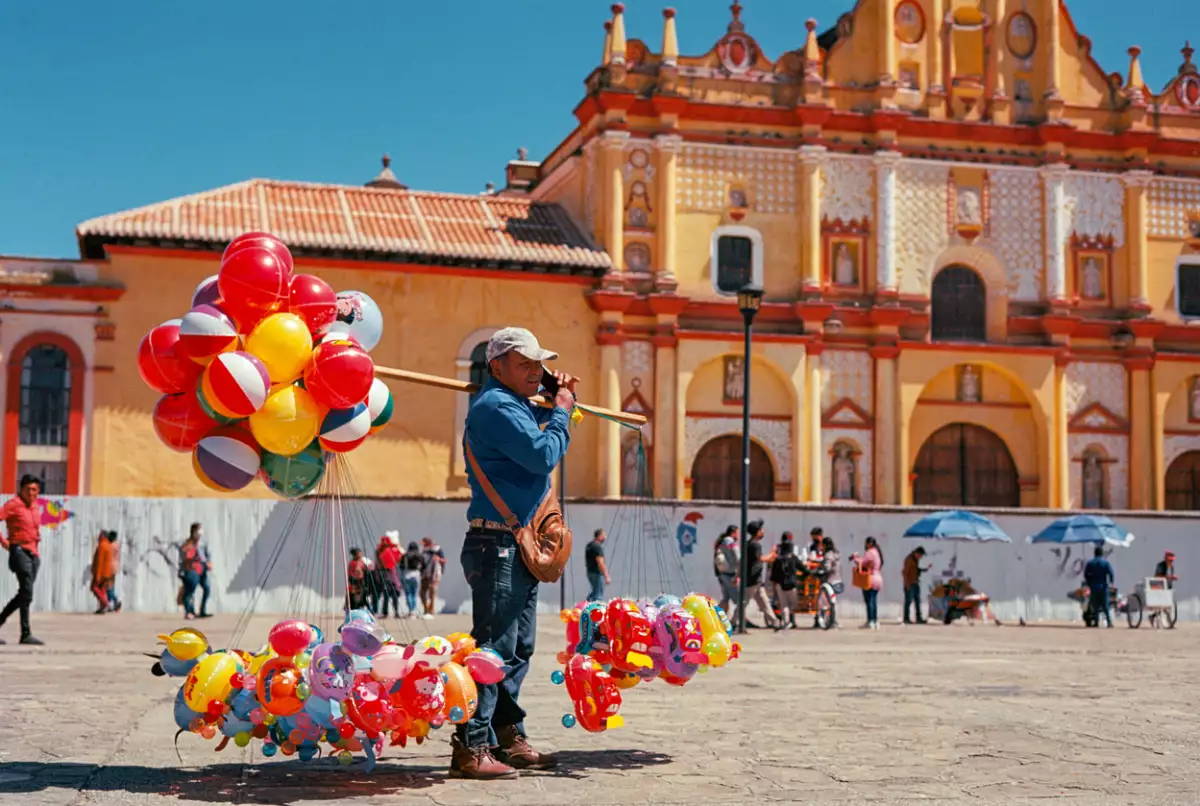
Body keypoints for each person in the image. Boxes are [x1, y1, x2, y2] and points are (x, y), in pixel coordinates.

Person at [454, 325, 576, 778]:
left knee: (518, 649)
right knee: (493, 649)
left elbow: (540, 437)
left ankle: (506, 735)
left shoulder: (520, 404)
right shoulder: (495, 407)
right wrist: (561, 410)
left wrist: (551, 392)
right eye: (524, 363)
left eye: (539, 364)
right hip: (496, 543)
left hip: (515, 544)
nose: (535, 371)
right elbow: (544, 454)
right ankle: (470, 745)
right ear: (497, 366)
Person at [0, 475, 45, 645]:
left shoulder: (35, 507)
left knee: (25, 594)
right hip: (19, 551)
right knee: (26, 592)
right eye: (28, 489)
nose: (31, 493)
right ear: (21, 489)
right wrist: (5, 542)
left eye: (35, 490)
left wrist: (36, 554)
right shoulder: (13, 504)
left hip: (33, 554)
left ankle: (20, 631)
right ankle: (25, 633)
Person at [741, 520, 777, 629]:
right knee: (744, 602)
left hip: (755, 579)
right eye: (761, 530)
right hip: (753, 578)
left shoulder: (748, 544)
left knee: (764, 602)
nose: (763, 531)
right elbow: (761, 559)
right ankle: (733, 622)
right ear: (757, 532)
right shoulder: (755, 545)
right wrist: (772, 554)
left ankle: (775, 622)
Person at [178, 524, 210, 620]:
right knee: (189, 592)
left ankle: (202, 610)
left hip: (202, 568)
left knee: (207, 588)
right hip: (192, 569)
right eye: (198, 531)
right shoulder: (188, 544)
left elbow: (207, 554)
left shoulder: (203, 543)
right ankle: (189, 612)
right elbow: (184, 557)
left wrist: (208, 562)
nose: (200, 533)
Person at [769, 538, 800, 631]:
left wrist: (774, 586)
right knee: (793, 604)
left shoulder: (777, 559)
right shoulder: (793, 558)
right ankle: (792, 621)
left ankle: (786, 622)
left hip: (780, 585)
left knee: (784, 604)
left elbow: (773, 575)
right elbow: (803, 568)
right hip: (792, 585)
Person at [854, 536, 884, 630]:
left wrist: (855, 558)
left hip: (870, 579)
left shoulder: (870, 552)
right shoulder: (877, 552)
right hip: (878, 578)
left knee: (869, 601)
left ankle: (870, 621)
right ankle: (874, 620)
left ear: (869, 544)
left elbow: (862, 563)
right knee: (873, 600)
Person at [1083, 546, 1115, 628]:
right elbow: (1111, 573)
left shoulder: (1090, 563)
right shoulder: (1105, 563)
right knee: (1105, 606)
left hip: (1094, 587)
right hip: (1103, 587)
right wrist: (1111, 582)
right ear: (1102, 553)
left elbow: (1086, 574)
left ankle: (1096, 622)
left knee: (1095, 606)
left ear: (1094, 553)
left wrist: (1089, 583)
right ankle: (1109, 622)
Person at [713, 526, 739, 614]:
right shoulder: (731, 542)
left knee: (725, 598)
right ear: (733, 533)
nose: (738, 535)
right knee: (739, 600)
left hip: (722, 574)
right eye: (737, 533)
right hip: (730, 575)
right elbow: (738, 558)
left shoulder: (721, 542)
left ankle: (717, 617)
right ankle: (738, 620)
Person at [376, 533, 403, 618]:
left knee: (386, 595)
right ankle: (395, 612)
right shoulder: (393, 550)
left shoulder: (379, 551)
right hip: (391, 574)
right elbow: (399, 558)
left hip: (385, 574)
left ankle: (386, 613)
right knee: (393, 595)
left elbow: (378, 563)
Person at [420, 537, 446, 619]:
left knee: (432, 591)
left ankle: (431, 609)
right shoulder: (424, 551)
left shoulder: (437, 550)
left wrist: (438, 559)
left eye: (424, 543)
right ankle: (426, 608)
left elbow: (444, 561)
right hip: (425, 574)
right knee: (422, 592)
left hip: (435, 573)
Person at [902, 546, 929, 625]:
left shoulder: (915, 560)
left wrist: (924, 570)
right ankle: (906, 618)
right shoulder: (909, 559)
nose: (921, 557)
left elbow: (915, 570)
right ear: (917, 553)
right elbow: (905, 573)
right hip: (910, 583)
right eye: (920, 555)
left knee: (917, 601)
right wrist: (907, 584)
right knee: (908, 601)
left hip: (915, 582)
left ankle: (918, 618)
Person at [820, 536, 843, 628]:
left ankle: (831, 621)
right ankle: (833, 621)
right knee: (832, 603)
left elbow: (827, 568)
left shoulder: (828, 555)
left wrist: (819, 570)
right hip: (838, 580)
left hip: (830, 581)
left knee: (828, 603)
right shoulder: (836, 554)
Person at [91, 530, 115, 614]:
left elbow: (100, 562)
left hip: (101, 573)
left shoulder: (102, 546)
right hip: (107, 573)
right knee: (102, 589)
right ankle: (102, 608)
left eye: (100, 535)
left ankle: (104, 603)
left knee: (94, 588)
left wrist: (97, 575)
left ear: (103, 536)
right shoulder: (108, 545)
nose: (98, 537)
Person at [585, 529, 610, 602]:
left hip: (590, 572)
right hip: (597, 573)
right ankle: (594, 610)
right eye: (604, 535)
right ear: (600, 536)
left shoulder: (590, 545)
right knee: (598, 595)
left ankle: (586, 605)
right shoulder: (597, 547)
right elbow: (600, 562)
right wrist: (606, 576)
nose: (605, 537)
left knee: (594, 592)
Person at [401, 541, 423, 617]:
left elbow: (401, 566)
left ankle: (410, 610)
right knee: (414, 594)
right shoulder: (419, 555)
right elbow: (424, 565)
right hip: (416, 575)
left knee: (408, 594)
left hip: (407, 575)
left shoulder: (405, 556)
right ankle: (413, 610)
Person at [105, 531, 122, 612]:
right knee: (111, 586)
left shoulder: (110, 546)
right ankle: (112, 604)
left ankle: (115, 601)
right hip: (115, 567)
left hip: (110, 567)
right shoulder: (117, 545)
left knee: (108, 587)